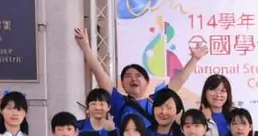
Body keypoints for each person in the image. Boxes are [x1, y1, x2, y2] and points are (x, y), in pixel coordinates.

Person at [74, 26, 206, 128]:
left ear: (147, 82)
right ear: (122, 83)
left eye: (138, 75)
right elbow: (99, 73)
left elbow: (179, 80)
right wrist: (85, 46)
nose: (133, 79)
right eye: (128, 76)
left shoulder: (157, 100)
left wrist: (194, 59)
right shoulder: (119, 102)